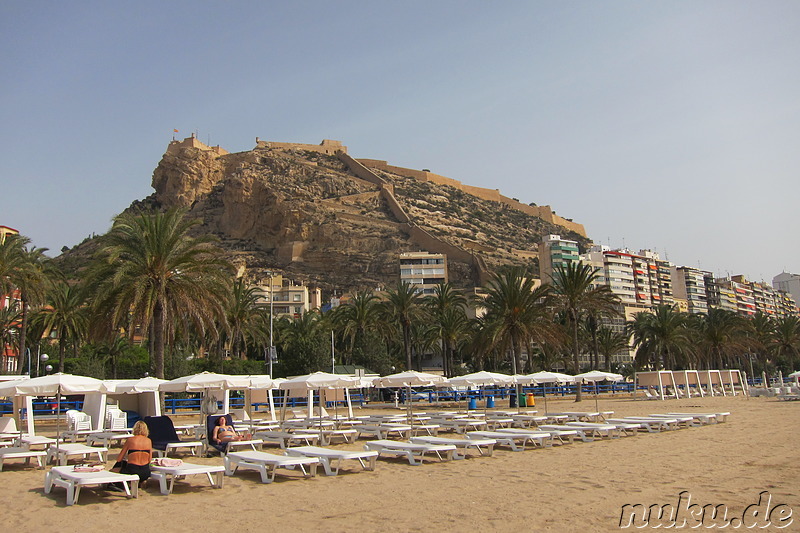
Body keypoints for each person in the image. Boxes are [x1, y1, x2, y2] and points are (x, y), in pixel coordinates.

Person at [110, 420, 152, 489]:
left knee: (113, 471)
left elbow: (119, 459)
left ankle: (128, 483)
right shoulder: (148, 441)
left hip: (132, 470)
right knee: (139, 472)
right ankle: (142, 481)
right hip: (145, 472)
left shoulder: (130, 440)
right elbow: (149, 460)